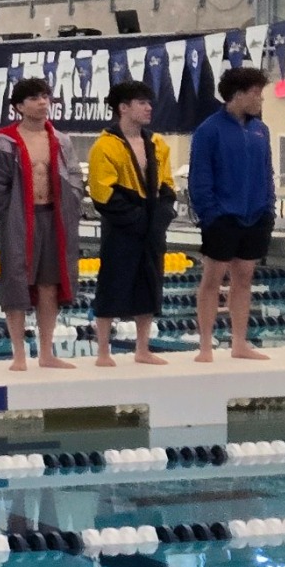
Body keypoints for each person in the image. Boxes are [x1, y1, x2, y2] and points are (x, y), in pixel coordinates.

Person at [0, 77, 82, 373]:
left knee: (49, 285)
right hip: (19, 219)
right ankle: (18, 355)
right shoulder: (5, 142)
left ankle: (47, 353)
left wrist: (70, 203)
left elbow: (75, 177)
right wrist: (9, 211)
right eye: (35, 98)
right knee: (17, 282)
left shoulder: (62, 141)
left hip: (53, 217)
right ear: (19, 107)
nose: (43, 102)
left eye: (45, 97)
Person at [189, 65, 275, 362]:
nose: (261, 99)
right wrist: (210, 215)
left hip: (256, 215)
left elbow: (268, 173)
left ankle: (239, 342)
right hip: (222, 217)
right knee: (212, 279)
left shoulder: (260, 130)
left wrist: (269, 208)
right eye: (256, 93)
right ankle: (205, 345)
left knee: (244, 279)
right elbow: (199, 178)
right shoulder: (208, 130)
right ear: (238, 95)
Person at [88, 80, 175, 368]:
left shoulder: (157, 144)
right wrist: (136, 219)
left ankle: (142, 348)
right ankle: (102, 351)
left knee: (150, 283)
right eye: (142, 102)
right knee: (112, 282)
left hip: (152, 225)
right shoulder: (104, 145)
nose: (149, 107)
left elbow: (168, 185)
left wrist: (160, 217)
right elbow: (102, 192)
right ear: (123, 108)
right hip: (122, 226)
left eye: (149, 102)